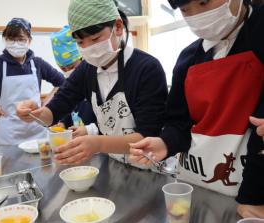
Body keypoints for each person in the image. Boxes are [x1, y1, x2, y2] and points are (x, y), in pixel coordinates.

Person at [130, 0, 264, 218]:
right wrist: (166, 143)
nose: (198, 16)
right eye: (185, 10)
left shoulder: (258, 32)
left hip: (249, 196)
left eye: (203, 2)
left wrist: (253, 196)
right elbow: (178, 122)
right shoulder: (187, 59)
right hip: (193, 186)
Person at [16, 0, 168, 168]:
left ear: (117, 27)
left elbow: (146, 138)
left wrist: (98, 143)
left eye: (95, 39)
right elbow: (53, 112)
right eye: (80, 43)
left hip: (151, 168)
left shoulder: (146, 69)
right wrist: (33, 112)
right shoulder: (87, 70)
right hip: (116, 166)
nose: (88, 48)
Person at [0, 18, 65, 146]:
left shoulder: (37, 64)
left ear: (29, 40)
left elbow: (62, 82)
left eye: (21, 39)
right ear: (5, 39)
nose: (16, 44)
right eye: (11, 39)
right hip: (9, 136)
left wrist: (45, 103)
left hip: (37, 132)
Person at [50, 25, 97, 138]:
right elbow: (69, 109)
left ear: (83, 58)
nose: (68, 72)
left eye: (71, 66)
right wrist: (63, 123)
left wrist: (89, 130)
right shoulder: (69, 86)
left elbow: (111, 121)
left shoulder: (97, 81)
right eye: (63, 69)